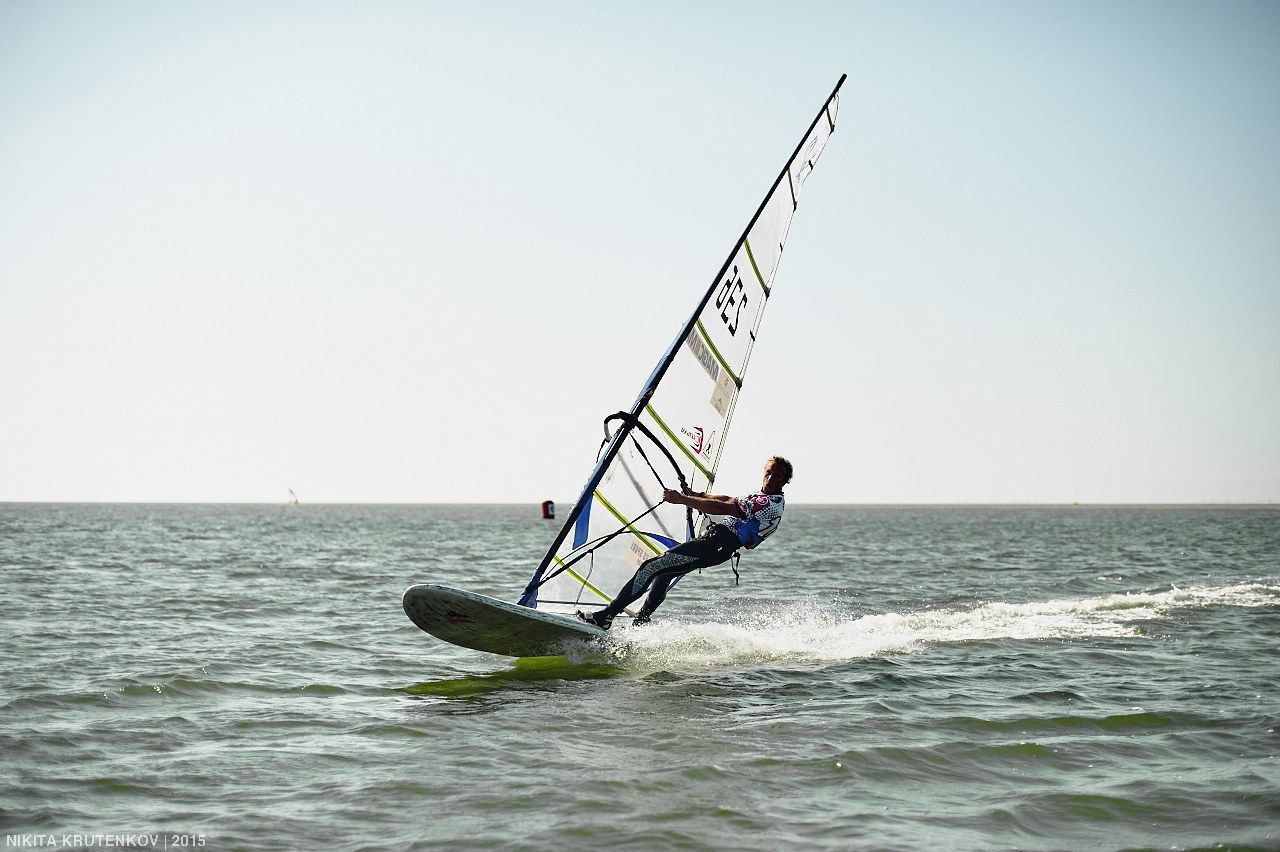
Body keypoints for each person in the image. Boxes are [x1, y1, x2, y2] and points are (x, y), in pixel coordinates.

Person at [577, 456, 792, 630]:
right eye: (769, 472)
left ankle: (606, 616)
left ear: (784, 481)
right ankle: (640, 623)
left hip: (717, 546)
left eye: (777, 476)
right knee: (664, 574)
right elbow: (727, 499)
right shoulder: (760, 496)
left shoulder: (770, 504)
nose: (771, 477)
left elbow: (723, 508)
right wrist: (697, 494)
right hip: (713, 543)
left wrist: (683, 500)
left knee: (651, 567)